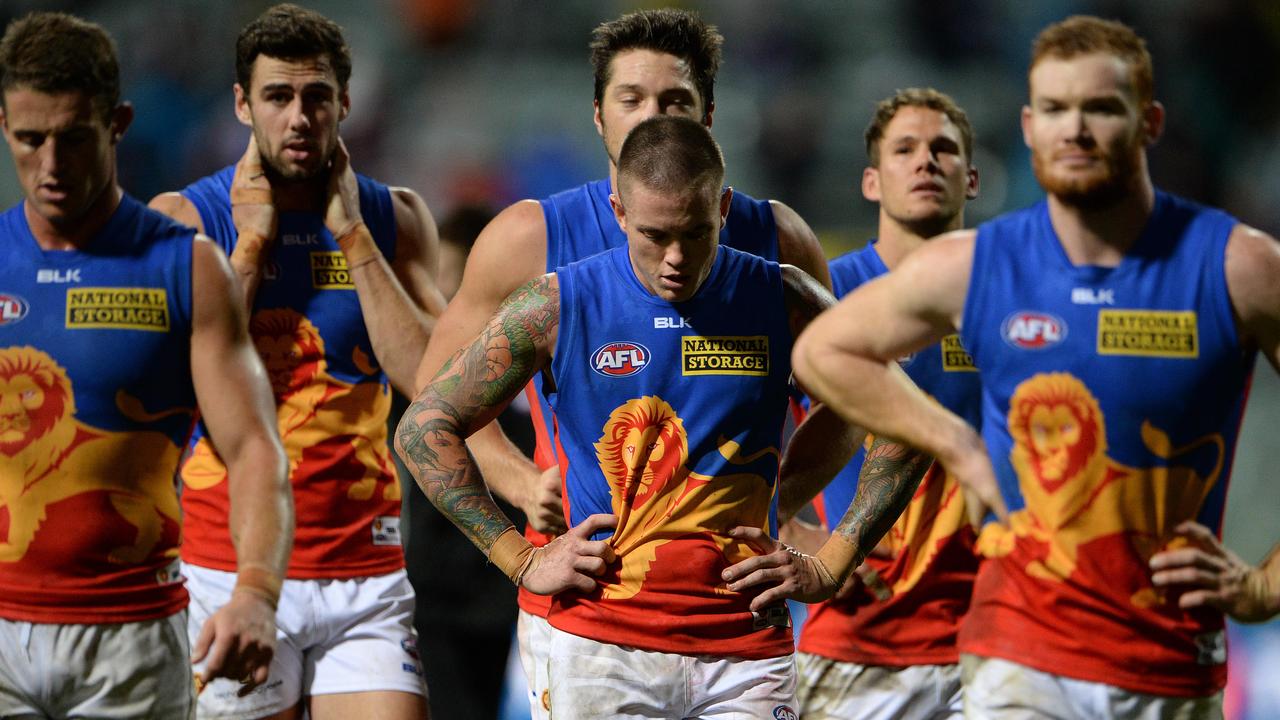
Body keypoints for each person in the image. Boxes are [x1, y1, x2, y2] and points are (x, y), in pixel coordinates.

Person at [793, 15, 1280, 718]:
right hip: (1017, 658)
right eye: (1055, 109)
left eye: (1101, 108)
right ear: (1028, 125)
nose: (1074, 129)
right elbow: (824, 352)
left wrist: (1265, 587)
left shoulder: (1239, 267)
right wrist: (956, 444)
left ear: (1150, 122)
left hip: (1171, 666)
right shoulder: (975, 267)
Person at [410, 9, 831, 715]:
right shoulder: (530, 236)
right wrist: (518, 482)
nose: (650, 117)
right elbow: (434, 393)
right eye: (632, 99)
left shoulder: (774, 238)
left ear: (709, 115)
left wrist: (792, 510)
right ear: (598, 113)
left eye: (674, 102)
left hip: (733, 614)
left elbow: (846, 397)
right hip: (589, 588)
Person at [149, 4, 445, 718]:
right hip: (224, 564)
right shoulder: (185, 221)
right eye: (278, 97)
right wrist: (249, 247)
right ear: (243, 105)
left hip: (363, 570)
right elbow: (175, 390)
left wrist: (354, 241)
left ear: (345, 100)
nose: (300, 118)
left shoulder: (394, 217)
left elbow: (435, 382)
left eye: (317, 97)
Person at [0, 12, 292, 719]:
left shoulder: (185, 267)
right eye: (28, 140)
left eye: (73, 138)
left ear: (118, 123)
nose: (50, 165)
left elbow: (253, 446)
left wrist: (255, 593)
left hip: (128, 638)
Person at [781, 87, 982, 720]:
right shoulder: (828, 298)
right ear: (872, 181)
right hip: (857, 636)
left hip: (996, 640)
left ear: (971, 179)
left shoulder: (1012, 304)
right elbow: (741, 427)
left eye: (943, 148)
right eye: (905, 149)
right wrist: (783, 523)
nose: (926, 161)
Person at [400, 203, 528, 720]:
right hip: (434, 593)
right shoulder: (427, 368)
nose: (444, 303)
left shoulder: (534, 359)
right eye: (440, 285)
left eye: (455, 284)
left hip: (506, 588)